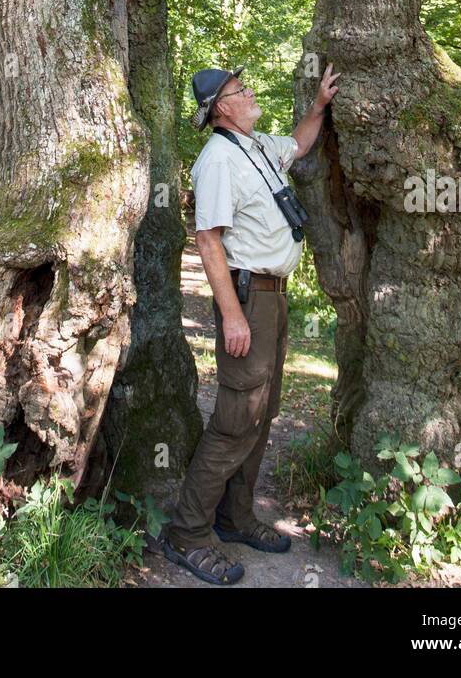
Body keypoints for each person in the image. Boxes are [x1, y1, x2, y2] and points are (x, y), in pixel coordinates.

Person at [162, 60, 340, 586]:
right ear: (222, 106)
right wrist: (233, 314)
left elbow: (300, 145)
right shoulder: (217, 159)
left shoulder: (258, 146)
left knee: (263, 412)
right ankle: (187, 533)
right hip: (249, 301)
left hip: (275, 299)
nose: (252, 91)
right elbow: (208, 239)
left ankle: (235, 518)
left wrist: (318, 108)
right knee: (238, 416)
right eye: (242, 89)